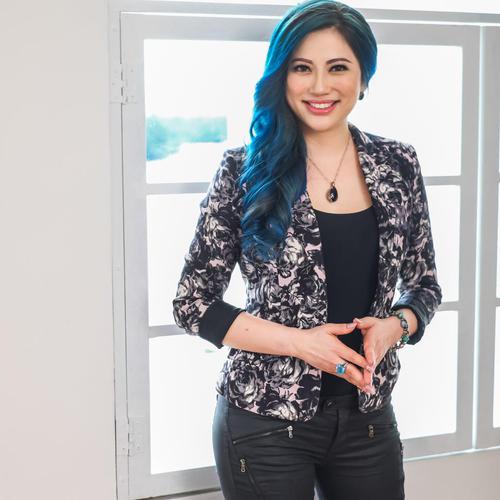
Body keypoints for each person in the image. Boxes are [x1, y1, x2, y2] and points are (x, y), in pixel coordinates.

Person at [172, 0, 442, 498]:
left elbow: (424, 286)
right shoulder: (241, 170)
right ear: (282, 77)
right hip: (263, 421)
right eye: (302, 68)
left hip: (368, 418)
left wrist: (396, 326)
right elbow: (193, 304)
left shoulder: (398, 164)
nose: (320, 86)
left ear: (363, 78)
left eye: (337, 68)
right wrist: (301, 343)